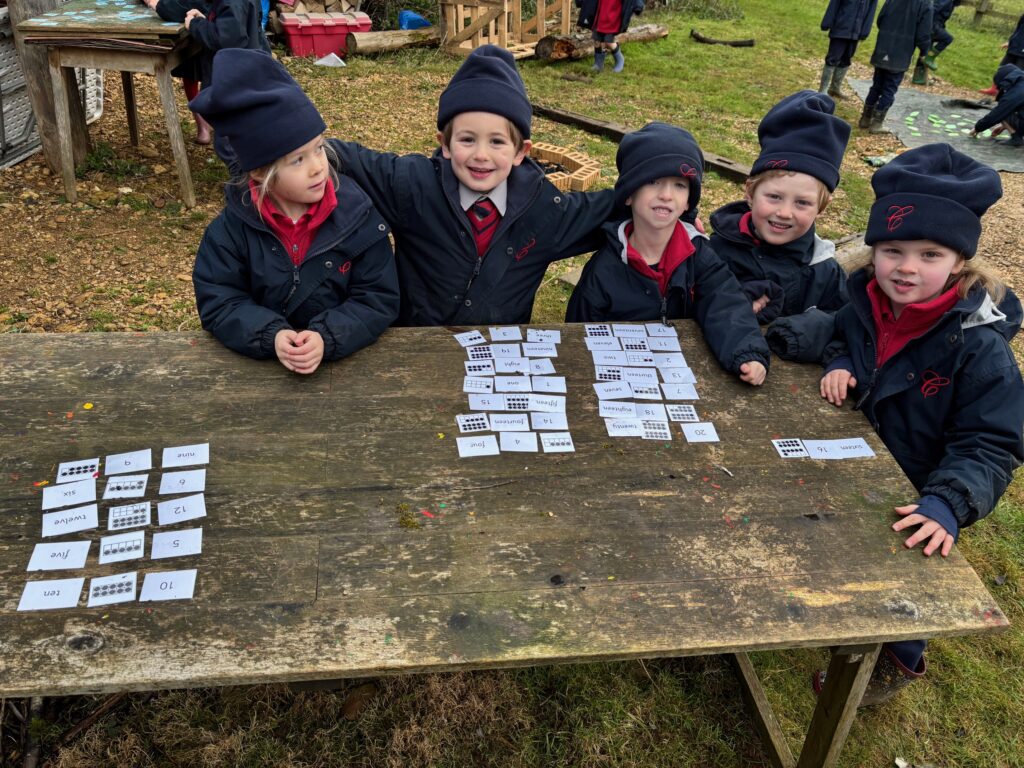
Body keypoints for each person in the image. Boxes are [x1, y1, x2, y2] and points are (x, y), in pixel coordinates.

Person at [817, 143, 1024, 706]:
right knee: (849, 543)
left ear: (959, 262)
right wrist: (839, 360)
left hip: (927, 486)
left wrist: (949, 502)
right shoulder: (864, 298)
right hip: (865, 460)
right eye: (893, 250)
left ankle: (898, 657)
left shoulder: (980, 348)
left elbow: (990, 441)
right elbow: (842, 335)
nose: (906, 267)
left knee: (912, 572)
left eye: (930, 254)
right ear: (873, 252)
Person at [333, 45, 616, 327]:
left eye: (497, 141)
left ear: (521, 151)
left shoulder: (545, 210)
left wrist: (652, 177)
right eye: (467, 139)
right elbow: (346, 157)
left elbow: (614, 206)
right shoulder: (412, 185)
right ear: (444, 143)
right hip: (416, 348)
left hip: (499, 353)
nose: (481, 154)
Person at [191, 49, 399, 375]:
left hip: (347, 374)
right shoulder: (230, 232)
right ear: (260, 173)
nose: (319, 167)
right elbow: (220, 300)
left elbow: (377, 297)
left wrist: (328, 335)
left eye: (319, 148)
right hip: (257, 377)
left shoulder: (359, 220)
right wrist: (270, 335)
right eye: (298, 160)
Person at [565, 123, 769, 386]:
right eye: (652, 181)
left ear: (688, 202)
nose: (666, 195)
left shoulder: (699, 255)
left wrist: (747, 352)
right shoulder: (604, 269)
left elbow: (725, 302)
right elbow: (577, 336)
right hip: (620, 379)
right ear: (628, 195)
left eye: (679, 185)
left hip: (685, 376)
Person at [708, 91, 851, 362]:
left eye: (802, 203)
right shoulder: (715, 251)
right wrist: (732, 303)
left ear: (822, 207)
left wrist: (798, 331)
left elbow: (847, 322)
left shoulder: (823, 270)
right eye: (774, 197)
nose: (784, 213)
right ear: (749, 192)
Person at [142, 0, 213, 143]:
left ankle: (210, 121)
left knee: (211, 72)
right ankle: (202, 123)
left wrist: (154, 3)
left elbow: (177, 9)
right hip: (197, 22)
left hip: (210, 27)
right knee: (189, 71)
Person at [859, 0, 933, 132]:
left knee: (877, 85)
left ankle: (865, 118)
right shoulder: (925, 3)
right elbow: (924, 33)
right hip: (901, 51)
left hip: (883, 46)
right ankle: (877, 124)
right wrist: (924, 51)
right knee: (889, 89)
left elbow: (880, 19)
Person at [819, 0, 879, 99]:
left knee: (846, 60)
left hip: (856, 32)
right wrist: (827, 22)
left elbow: (870, 12)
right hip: (840, 28)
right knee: (832, 59)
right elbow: (834, 4)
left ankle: (835, 88)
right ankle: (822, 90)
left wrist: (865, 31)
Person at [576, 0, 645, 73]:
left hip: (613, 16)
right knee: (597, 40)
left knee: (608, 42)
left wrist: (638, 5)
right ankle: (598, 64)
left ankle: (620, 59)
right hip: (600, 14)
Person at [970, 64, 1024, 147]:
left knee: (1003, 110)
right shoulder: (1020, 83)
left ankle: (1016, 138)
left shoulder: (1016, 92)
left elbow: (998, 113)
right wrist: (1003, 126)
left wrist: (977, 128)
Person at [980, 13, 1024, 95]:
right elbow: (1018, 30)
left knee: (1018, 72)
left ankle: (1010, 93)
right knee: (1003, 67)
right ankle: (994, 89)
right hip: (1015, 45)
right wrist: (1010, 41)